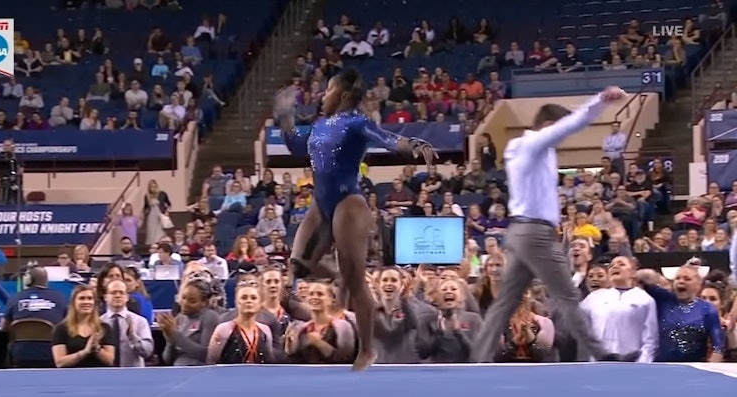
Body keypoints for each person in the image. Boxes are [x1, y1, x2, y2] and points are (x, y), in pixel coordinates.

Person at [273, 68, 437, 371]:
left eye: (329, 90)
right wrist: (285, 120)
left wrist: (412, 144)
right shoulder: (321, 125)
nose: (323, 95)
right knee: (298, 265)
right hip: (320, 204)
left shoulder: (356, 122)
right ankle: (336, 271)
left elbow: (386, 139)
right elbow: (296, 145)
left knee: (354, 279)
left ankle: (366, 350)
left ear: (344, 95)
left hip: (349, 203)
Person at [471, 86, 640, 363]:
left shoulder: (532, 150)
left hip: (523, 232)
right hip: (535, 233)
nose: (560, 136)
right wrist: (599, 101)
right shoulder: (531, 144)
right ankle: (602, 354)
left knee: (506, 302)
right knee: (568, 296)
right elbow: (570, 124)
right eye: (556, 130)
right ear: (548, 126)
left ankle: (477, 360)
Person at [0, 266, 69, 368]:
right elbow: (68, 324)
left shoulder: (16, 298)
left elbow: (3, 327)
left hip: (21, 355)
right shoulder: (60, 298)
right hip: (52, 354)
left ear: (28, 280)